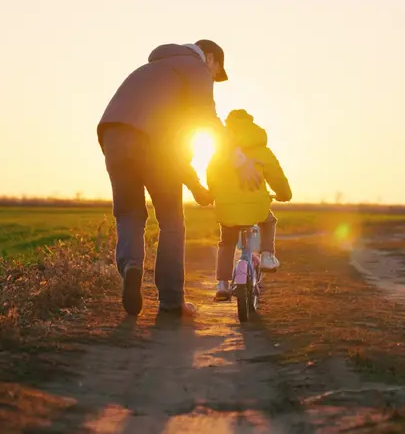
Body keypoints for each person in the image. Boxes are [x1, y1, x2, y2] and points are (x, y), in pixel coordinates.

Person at [97, 40, 263, 318]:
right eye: (215, 72)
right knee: (172, 222)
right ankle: (172, 302)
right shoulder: (195, 68)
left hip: (113, 136)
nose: (212, 78)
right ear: (209, 58)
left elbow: (173, 146)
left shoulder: (151, 70)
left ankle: (131, 266)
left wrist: (195, 186)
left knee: (128, 213)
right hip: (153, 143)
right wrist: (240, 160)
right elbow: (205, 122)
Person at [205, 109, 292, 301]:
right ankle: (268, 255)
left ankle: (222, 284)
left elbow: (211, 175)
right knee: (268, 221)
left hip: (226, 208)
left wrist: (215, 193)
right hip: (256, 208)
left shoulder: (221, 150)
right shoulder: (262, 151)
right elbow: (276, 176)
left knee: (227, 242)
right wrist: (284, 194)